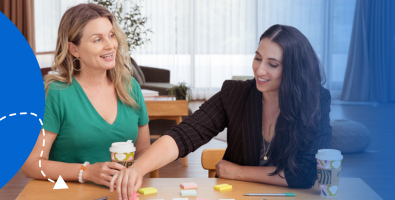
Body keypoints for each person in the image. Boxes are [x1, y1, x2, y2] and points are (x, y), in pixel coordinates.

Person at [110, 24, 332, 200]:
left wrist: (237, 172)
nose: (259, 70)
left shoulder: (317, 100)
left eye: (272, 64)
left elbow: (305, 174)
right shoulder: (235, 94)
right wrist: (137, 169)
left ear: (294, 70)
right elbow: (185, 134)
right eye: (257, 58)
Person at [21, 3, 151, 188]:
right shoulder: (56, 93)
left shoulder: (130, 87)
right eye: (97, 39)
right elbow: (31, 165)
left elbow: (144, 150)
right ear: (74, 49)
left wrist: (134, 174)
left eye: (111, 35)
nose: (110, 45)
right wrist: (86, 172)